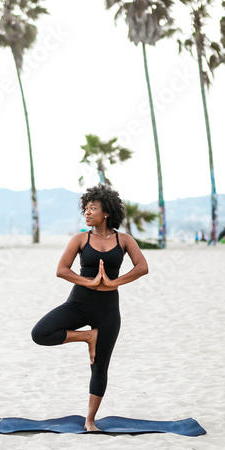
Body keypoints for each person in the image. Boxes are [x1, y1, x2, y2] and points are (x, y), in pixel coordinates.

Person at [31, 184, 149, 431]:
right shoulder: (80, 239)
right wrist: (91, 282)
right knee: (40, 333)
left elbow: (142, 267)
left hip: (108, 310)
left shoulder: (124, 240)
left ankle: (90, 420)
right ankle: (87, 336)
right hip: (78, 304)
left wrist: (114, 282)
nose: (87, 212)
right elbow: (61, 270)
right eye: (85, 208)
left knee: (100, 366)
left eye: (92, 208)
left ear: (106, 212)